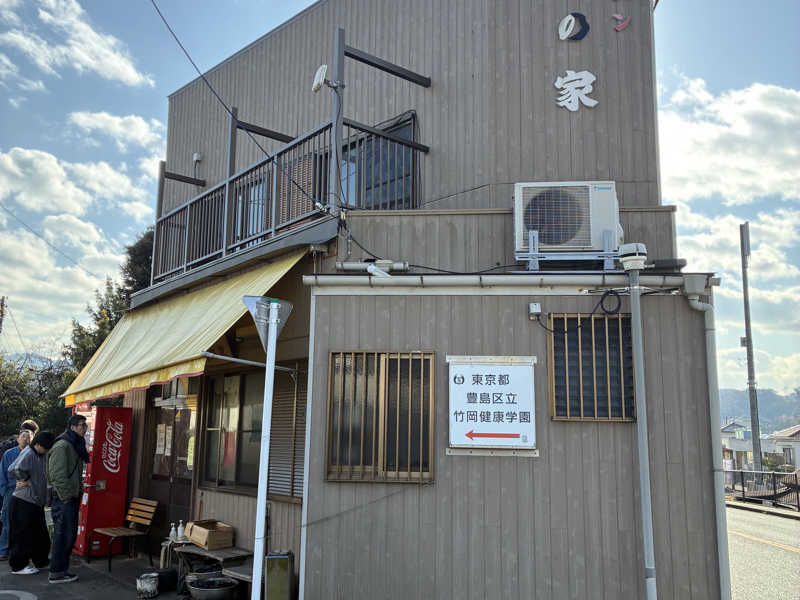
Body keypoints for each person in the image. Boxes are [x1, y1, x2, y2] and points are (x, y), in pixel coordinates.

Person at [47, 414, 90, 585]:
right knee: (63, 535)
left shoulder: (75, 443)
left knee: (68, 535)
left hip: (71, 496)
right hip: (64, 498)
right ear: (72, 427)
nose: (84, 428)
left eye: (85, 425)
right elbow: (56, 476)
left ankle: (61, 570)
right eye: (81, 425)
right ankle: (57, 573)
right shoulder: (63, 445)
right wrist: (66, 497)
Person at [7, 431, 55, 575]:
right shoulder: (29, 453)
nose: (47, 451)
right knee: (21, 535)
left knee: (40, 534)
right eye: (45, 448)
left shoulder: (41, 455)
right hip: (23, 500)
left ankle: (41, 561)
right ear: (38, 444)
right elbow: (13, 469)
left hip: (35, 501)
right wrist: (25, 479)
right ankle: (18, 566)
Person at [0, 429, 32, 560]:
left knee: (23, 522)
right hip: (10, 490)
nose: (26, 439)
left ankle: (19, 550)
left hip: (27, 491)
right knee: (7, 521)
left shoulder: (32, 454)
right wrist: (4, 492)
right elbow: (2, 473)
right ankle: (3, 550)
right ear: (18, 439)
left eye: (28, 437)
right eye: (23, 436)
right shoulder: (9, 453)